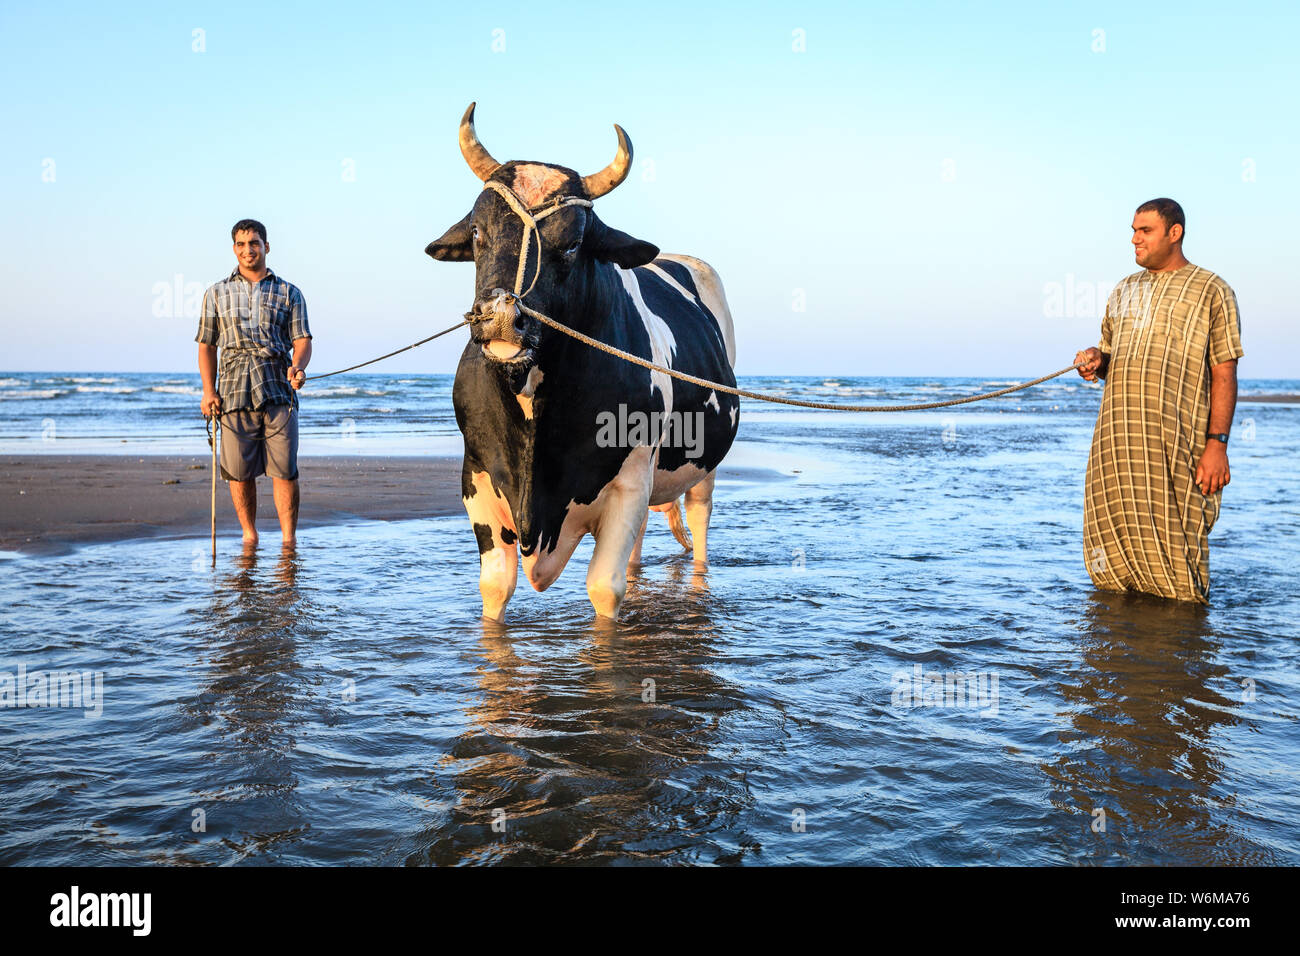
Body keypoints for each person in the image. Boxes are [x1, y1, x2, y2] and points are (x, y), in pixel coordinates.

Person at [1074, 198, 1242, 604]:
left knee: (1178, 554)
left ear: (1174, 232)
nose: (1134, 239)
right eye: (1133, 231)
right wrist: (1097, 362)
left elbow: (1224, 372)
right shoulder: (1123, 291)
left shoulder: (1212, 290)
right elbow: (1113, 357)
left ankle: (1183, 648)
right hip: (1116, 444)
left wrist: (1217, 445)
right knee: (1111, 561)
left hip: (1176, 443)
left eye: (1144, 230)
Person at [197, 219, 312, 548]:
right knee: (238, 472)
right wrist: (208, 391)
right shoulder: (216, 293)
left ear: (266, 247)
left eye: (255, 243)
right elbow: (206, 345)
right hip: (232, 394)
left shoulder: (289, 291)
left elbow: (302, 340)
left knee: (285, 470)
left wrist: (298, 367)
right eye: (242, 244)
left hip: (279, 390)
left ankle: (289, 541)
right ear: (234, 248)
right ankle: (250, 535)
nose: (249, 250)